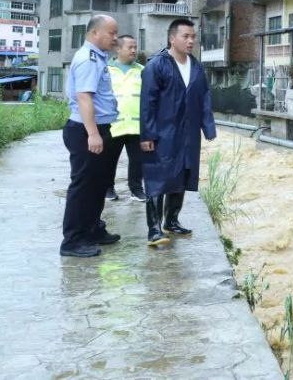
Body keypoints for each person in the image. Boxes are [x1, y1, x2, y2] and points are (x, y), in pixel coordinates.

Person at [140, 18, 216, 246]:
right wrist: (147, 135)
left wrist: (208, 127)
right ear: (172, 38)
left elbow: (204, 97)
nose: (191, 40)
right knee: (157, 177)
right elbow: (147, 103)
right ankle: (154, 229)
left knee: (182, 174)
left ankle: (171, 220)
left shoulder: (196, 66)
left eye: (193, 36)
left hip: (188, 133)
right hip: (163, 133)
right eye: (186, 36)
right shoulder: (157, 65)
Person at [60, 15, 120, 258]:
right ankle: (73, 241)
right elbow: (84, 97)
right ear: (95, 33)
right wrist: (93, 134)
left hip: (99, 129)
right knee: (83, 187)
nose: (115, 38)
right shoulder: (88, 58)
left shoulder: (98, 57)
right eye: (111, 33)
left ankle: (92, 228)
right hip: (86, 130)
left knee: (98, 185)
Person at [105, 35, 145, 202]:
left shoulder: (142, 70)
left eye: (135, 47)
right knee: (109, 160)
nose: (134, 50)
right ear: (118, 49)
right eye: (130, 47)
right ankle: (107, 189)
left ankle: (136, 190)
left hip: (136, 126)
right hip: (114, 125)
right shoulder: (106, 69)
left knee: (137, 161)